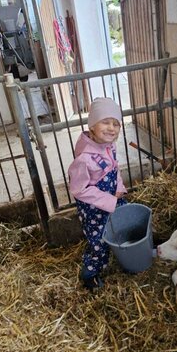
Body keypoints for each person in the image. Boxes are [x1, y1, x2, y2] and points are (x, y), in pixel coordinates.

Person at [68, 97, 127, 291]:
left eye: (116, 124)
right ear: (92, 125)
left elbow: (114, 168)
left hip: (112, 198)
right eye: (106, 122)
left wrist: (119, 186)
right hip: (94, 209)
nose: (112, 128)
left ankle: (124, 253)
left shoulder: (109, 146)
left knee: (121, 224)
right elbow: (79, 190)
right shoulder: (85, 159)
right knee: (99, 241)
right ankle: (90, 274)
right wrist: (109, 200)